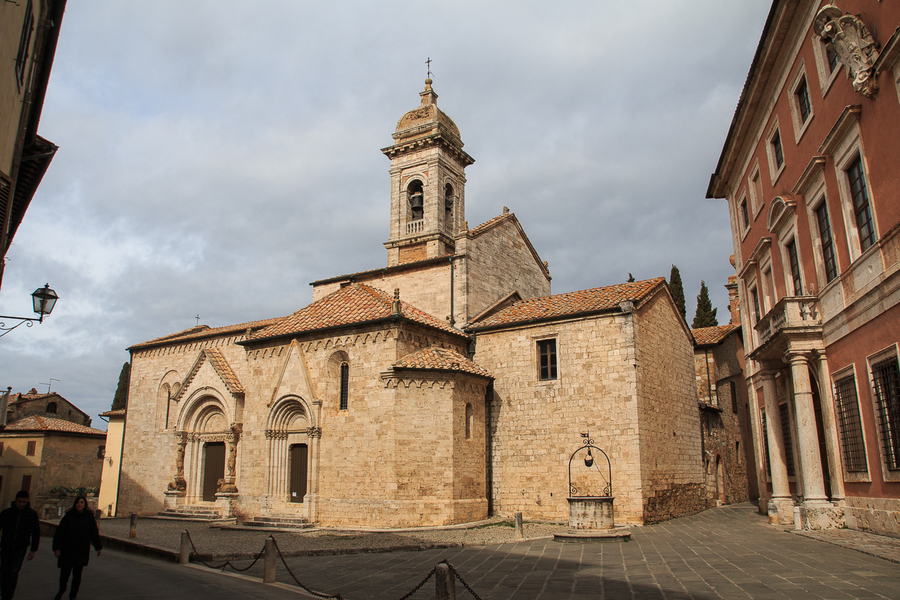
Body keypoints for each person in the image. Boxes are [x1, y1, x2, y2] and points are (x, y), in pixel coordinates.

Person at [52, 496, 101, 600]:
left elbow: (94, 533)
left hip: (81, 550)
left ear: (85, 504)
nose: (79, 504)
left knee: (77, 575)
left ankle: (73, 595)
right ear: (75, 504)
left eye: (82, 502)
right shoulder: (68, 516)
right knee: (65, 573)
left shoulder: (89, 517)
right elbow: (59, 533)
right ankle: (62, 589)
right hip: (67, 549)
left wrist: (98, 547)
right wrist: (57, 548)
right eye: (78, 502)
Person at [0, 490, 40, 600]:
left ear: (27, 501)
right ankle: (4, 594)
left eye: (23, 502)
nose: (21, 504)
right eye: (19, 501)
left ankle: (8, 596)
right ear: (16, 500)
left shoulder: (31, 514)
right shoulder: (6, 513)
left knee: (13, 573)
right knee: (4, 572)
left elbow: (36, 532)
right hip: (6, 546)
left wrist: (33, 549)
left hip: (20, 547)